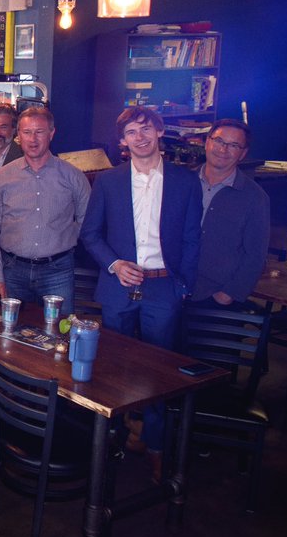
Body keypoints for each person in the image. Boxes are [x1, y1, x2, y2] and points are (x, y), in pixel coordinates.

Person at [80, 106, 201, 478]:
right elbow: (90, 235)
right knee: (112, 368)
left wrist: (182, 287)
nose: (140, 137)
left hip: (164, 287)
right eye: (132, 132)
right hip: (118, 286)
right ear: (123, 141)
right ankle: (111, 438)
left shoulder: (185, 181)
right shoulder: (109, 181)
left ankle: (155, 444)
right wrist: (115, 265)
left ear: (160, 131)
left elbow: (193, 238)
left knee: (157, 371)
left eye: (146, 129)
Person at [0, 106, 90, 315]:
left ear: (51, 133)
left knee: (59, 334)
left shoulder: (73, 176)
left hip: (58, 271)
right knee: (10, 335)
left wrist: (64, 239)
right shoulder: (3, 177)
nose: (33, 139)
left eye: (39, 132)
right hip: (12, 271)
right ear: (18, 135)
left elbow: (88, 222)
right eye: (26, 132)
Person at [192, 118, 269, 307]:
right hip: (171, 288)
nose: (223, 149)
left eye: (234, 145)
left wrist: (231, 292)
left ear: (242, 154)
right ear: (207, 141)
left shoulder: (255, 197)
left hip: (214, 294)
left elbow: (256, 254)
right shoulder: (181, 182)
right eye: (219, 141)